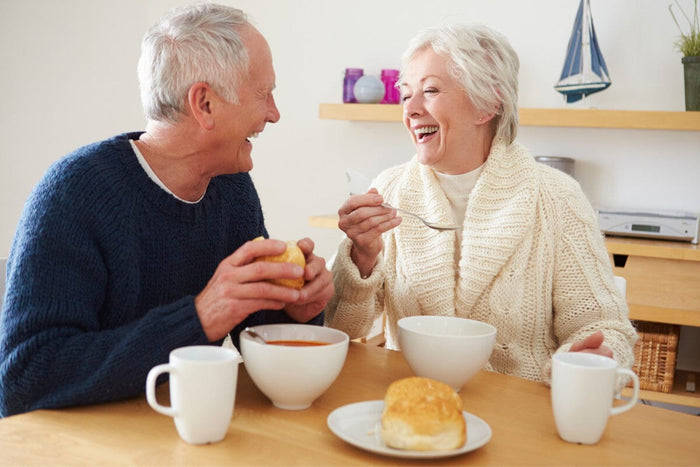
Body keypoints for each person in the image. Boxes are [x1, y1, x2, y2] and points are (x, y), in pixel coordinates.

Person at [0, 3, 333, 417]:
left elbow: (256, 329)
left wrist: (296, 309)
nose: (274, 113)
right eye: (263, 94)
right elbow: (24, 378)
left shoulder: (230, 188)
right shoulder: (74, 193)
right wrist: (197, 319)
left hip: (179, 433)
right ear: (205, 104)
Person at [325, 23, 637, 385]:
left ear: (488, 103)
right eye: (406, 94)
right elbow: (338, 327)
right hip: (413, 408)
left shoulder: (557, 198)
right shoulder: (389, 192)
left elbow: (605, 326)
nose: (410, 109)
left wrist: (595, 359)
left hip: (521, 419)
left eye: (429, 90)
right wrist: (360, 257)